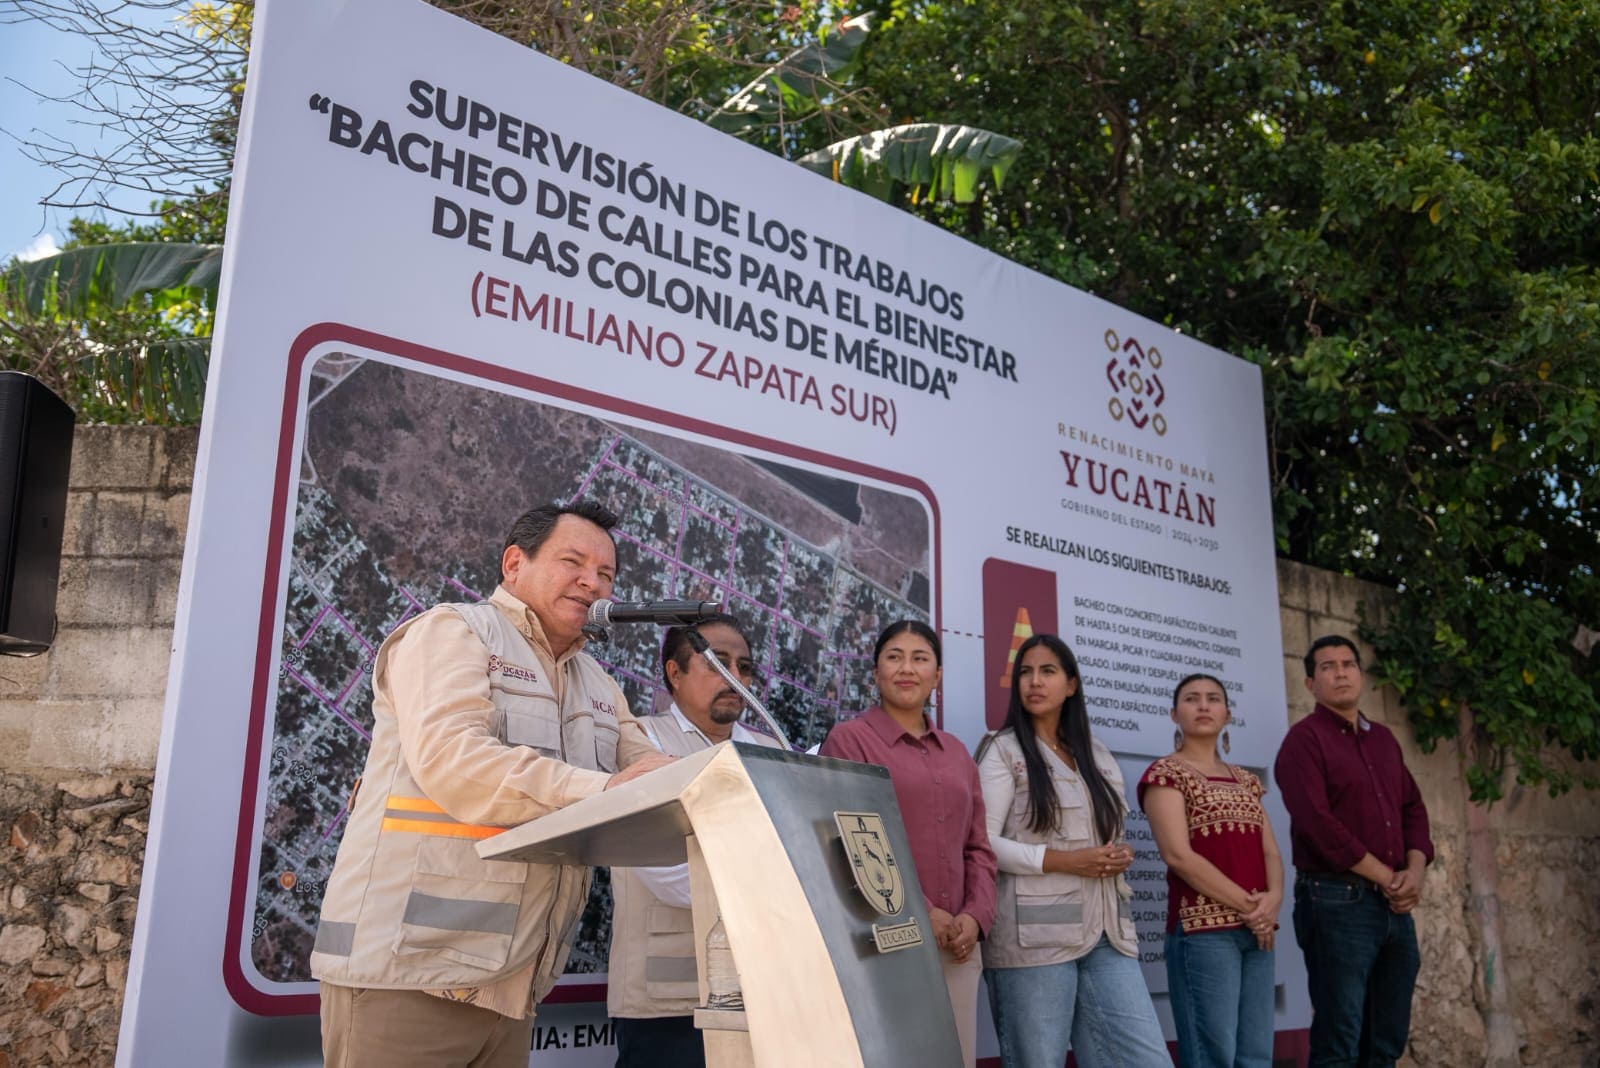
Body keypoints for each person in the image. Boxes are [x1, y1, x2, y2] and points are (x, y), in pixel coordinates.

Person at [312, 501, 674, 1068]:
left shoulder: (599, 682)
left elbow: (652, 772)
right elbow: (453, 759)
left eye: (607, 575)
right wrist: (602, 792)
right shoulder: (453, 631)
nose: (593, 583)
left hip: (511, 986)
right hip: (408, 974)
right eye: (573, 562)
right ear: (514, 564)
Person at [976, 633, 1168, 1068]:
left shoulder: (1097, 755)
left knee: (1146, 1059)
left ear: (1071, 685)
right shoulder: (1003, 750)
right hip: (1033, 940)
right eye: (1025, 672)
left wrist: (1116, 855)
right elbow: (982, 843)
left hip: (1107, 934)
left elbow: (1105, 835)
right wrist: (1065, 861)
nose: (1034, 682)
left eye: (1047, 671)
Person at [607, 614, 784, 1068]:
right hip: (666, 1000)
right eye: (718, 664)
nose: (735, 678)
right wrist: (771, 875)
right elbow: (664, 873)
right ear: (675, 673)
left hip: (760, 992)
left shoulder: (771, 750)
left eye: (743, 668)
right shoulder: (639, 743)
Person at [818, 620, 996, 1068]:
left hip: (957, 946)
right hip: (884, 942)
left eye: (920, 659)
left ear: (937, 676)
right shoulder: (849, 740)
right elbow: (845, 843)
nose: (907, 668)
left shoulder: (958, 753)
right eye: (894, 657)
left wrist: (975, 918)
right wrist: (919, 910)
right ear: (875, 672)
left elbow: (978, 850)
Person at [1274, 635, 1433, 1067]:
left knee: (1386, 1039)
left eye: (1348, 664)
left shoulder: (1383, 740)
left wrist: (1414, 874)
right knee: (1339, 1040)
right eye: (1327, 666)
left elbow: (1413, 809)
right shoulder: (1302, 742)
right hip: (1335, 900)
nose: (1340, 672)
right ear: (1310, 683)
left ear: (1361, 675)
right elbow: (1317, 825)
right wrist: (1388, 876)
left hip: (1395, 907)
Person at [1139, 673, 1284, 1068]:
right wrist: (1254, 909)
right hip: (1203, 934)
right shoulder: (1165, 774)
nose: (1203, 706)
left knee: (1255, 1056)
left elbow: (1270, 852)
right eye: (1191, 698)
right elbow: (1178, 856)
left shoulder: (1247, 781)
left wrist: (1272, 903)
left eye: (1213, 699)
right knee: (1212, 1057)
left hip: (1257, 934)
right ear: (1174, 713)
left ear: (1227, 715)